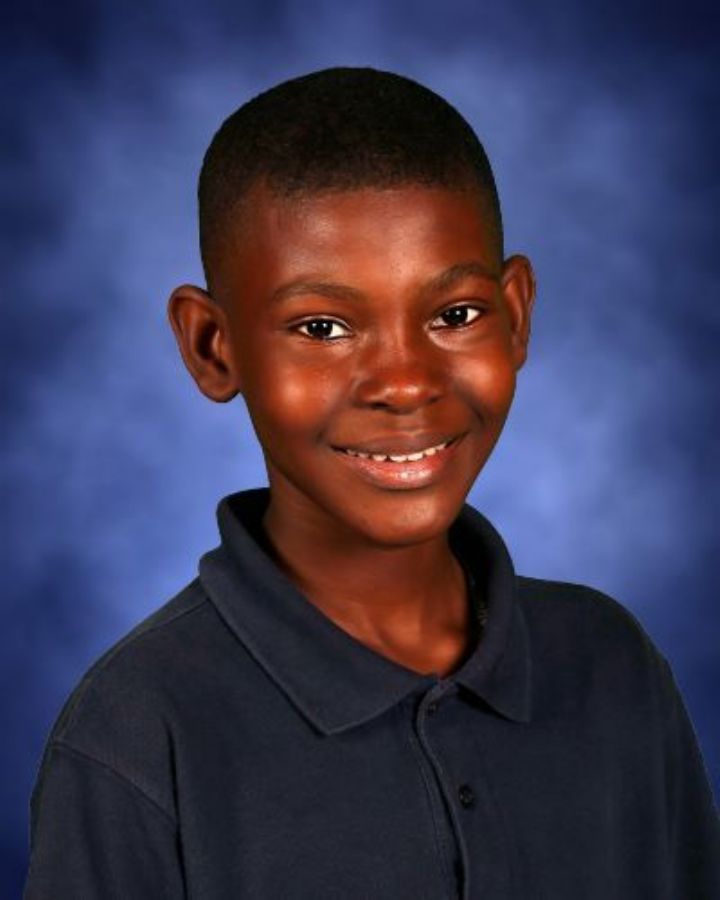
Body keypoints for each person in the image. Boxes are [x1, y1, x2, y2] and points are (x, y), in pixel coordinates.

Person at [23, 66, 719, 899]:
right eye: (323, 327)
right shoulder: (138, 734)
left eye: (455, 315)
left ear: (516, 314)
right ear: (213, 346)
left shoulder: (613, 667)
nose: (405, 383)